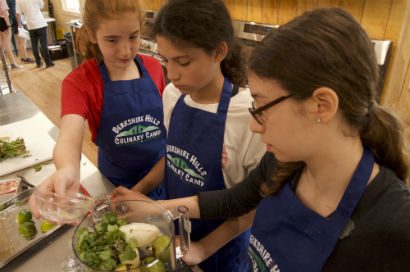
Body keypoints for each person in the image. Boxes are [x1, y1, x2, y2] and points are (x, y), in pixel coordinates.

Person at [112, 7, 410, 272]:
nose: (254, 127)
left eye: (262, 106)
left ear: (321, 105)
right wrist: (156, 209)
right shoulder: (283, 163)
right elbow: (232, 201)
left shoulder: (393, 226)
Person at [113, 0, 265, 271]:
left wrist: (203, 247)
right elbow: (174, 158)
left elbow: (252, 206)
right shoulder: (173, 95)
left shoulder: (249, 116)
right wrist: (139, 192)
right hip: (174, 234)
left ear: (218, 51)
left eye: (183, 61)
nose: (171, 73)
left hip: (221, 251)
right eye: (165, 60)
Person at [30, 0, 168, 216]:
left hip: (164, 174)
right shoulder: (79, 82)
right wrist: (68, 169)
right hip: (116, 186)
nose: (125, 50)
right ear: (93, 35)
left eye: (133, 36)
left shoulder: (154, 68)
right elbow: (69, 137)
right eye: (112, 40)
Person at [15, 0, 54, 68]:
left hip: (30, 25)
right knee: (44, 44)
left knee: (34, 45)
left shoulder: (18, 0)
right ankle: (48, 62)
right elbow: (41, 6)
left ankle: (38, 63)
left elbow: (18, 13)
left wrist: (19, 24)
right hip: (40, 23)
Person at [0, 0, 22, 69]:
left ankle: (4, 64)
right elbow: (4, 12)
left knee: (2, 43)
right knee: (7, 43)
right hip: (3, 21)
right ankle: (13, 64)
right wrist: (9, 25)